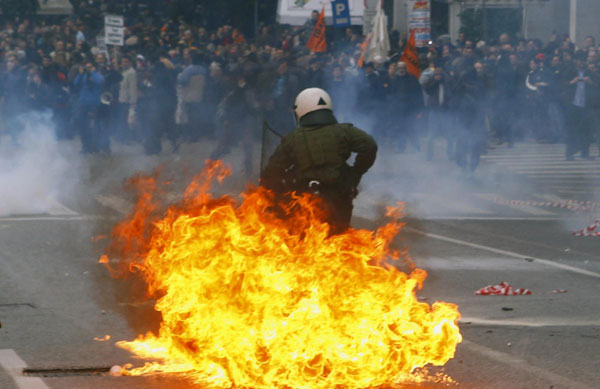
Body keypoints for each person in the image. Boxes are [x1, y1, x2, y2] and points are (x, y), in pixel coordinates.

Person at [261, 88, 377, 234]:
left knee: (303, 241)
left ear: (301, 111)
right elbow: (369, 146)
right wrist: (355, 174)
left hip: (305, 200)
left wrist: (275, 198)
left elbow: (272, 172)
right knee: (339, 238)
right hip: (339, 197)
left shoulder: (292, 139)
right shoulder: (344, 131)